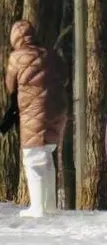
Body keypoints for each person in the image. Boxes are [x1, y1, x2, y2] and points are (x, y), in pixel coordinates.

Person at [4, 20, 66, 218]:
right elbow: (65, 75)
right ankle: (49, 206)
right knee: (46, 156)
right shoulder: (50, 53)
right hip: (57, 110)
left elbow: (10, 86)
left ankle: (37, 208)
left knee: (32, 158)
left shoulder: (16, 57)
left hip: (34, 111)